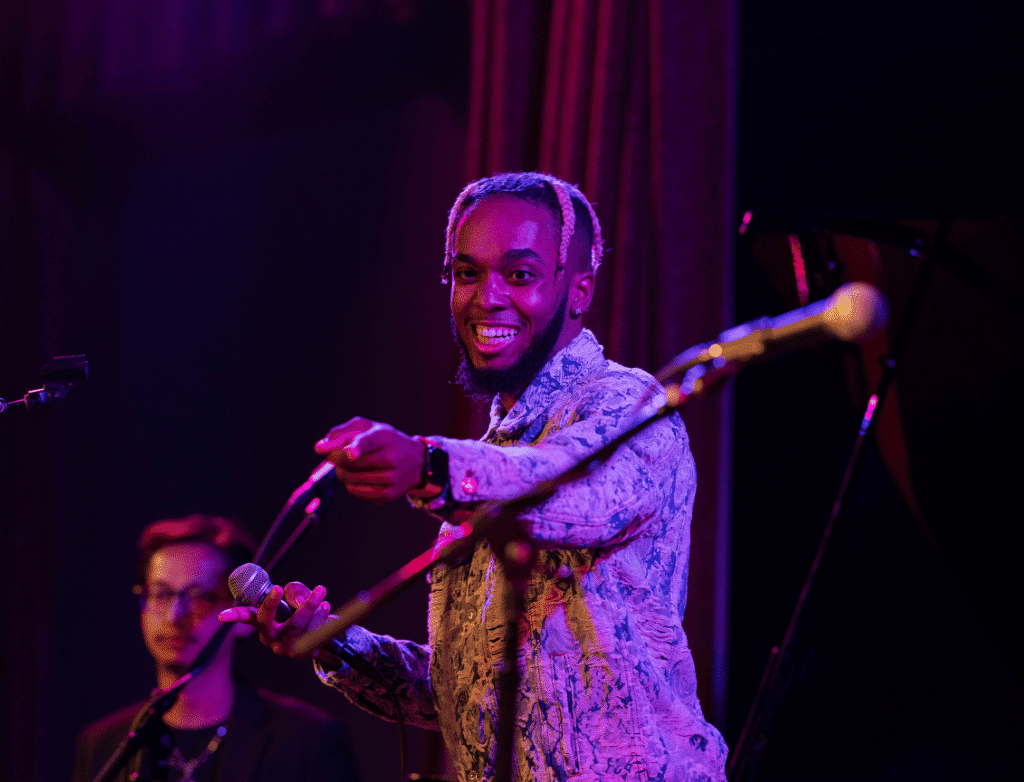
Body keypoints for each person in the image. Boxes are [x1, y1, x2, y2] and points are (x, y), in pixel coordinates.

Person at [220, 172, 728, 781]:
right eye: (467, 273)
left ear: (578, 291)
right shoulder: (491, 458)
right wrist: (329, 640)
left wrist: (427, 464)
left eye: (520, 275)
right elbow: (461, 696)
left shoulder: (629, 407)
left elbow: (560, 486)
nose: (487, 297)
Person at [73, 514, 359, 782]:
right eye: (161, 594)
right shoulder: (103, 745)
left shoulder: (307, 740)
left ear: (245, 617)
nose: (176, 615)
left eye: (201, 597)